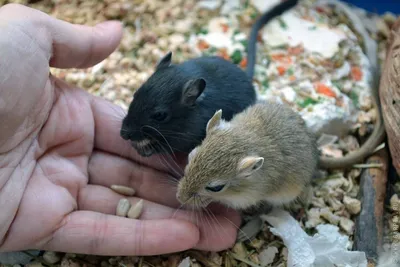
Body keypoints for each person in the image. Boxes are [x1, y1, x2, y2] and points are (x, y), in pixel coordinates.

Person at [0, 3, 240, 256]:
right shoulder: (170, 87)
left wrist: (157, 146)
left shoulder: (194, 117)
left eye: (159, 117)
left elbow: (190, 138)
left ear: (191, 97)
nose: (125, 131)